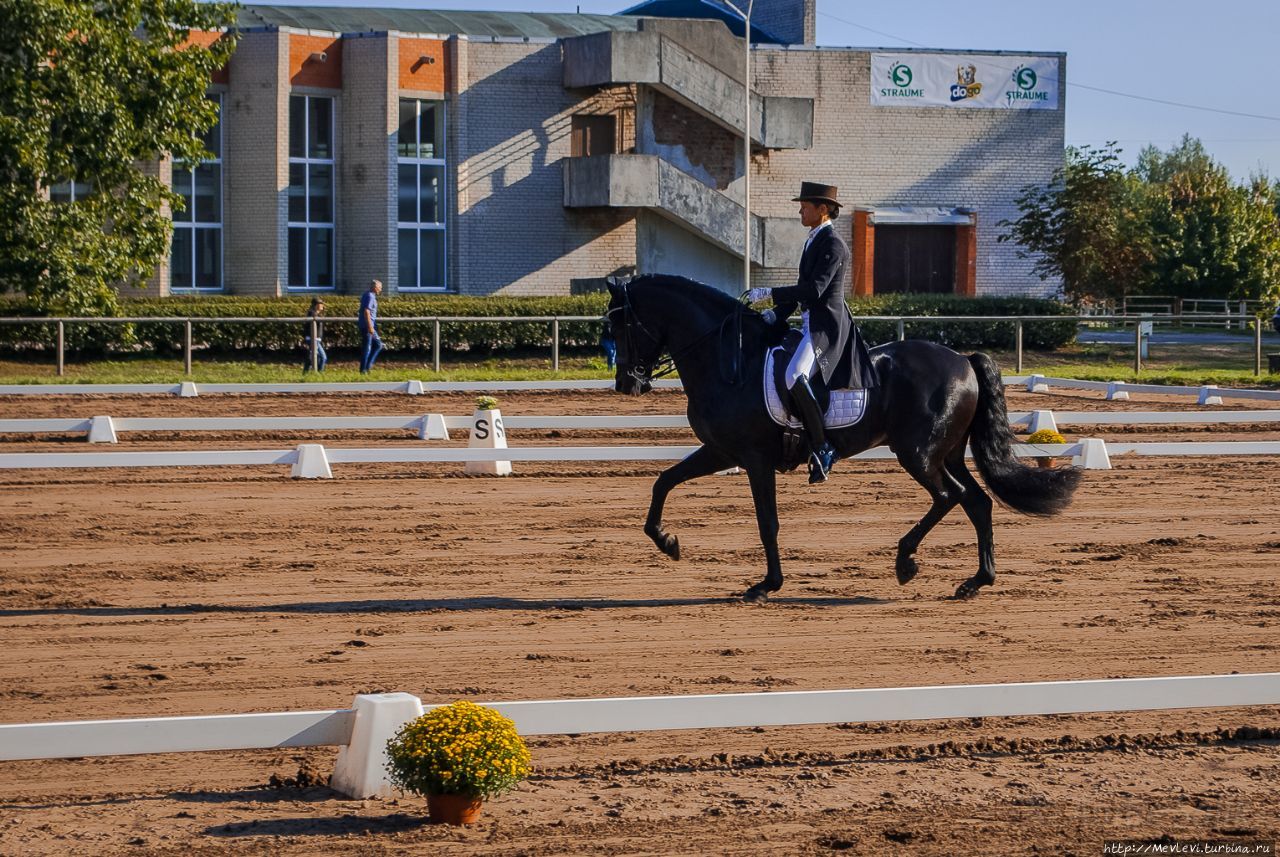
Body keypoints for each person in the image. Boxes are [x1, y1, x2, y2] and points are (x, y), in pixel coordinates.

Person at [746, 181, 860, 485]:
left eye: (804, 206)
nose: (800, 210)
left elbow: (814, 289)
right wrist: (773, 315)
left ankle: (823, 447)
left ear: (822, 210)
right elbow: (799, 295)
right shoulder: (813, 241)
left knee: (794, 374)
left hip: (828, 328)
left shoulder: (833, 244)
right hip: (810, 323)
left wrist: (770, 292)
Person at [359, 279, 383, 373]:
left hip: (367, 325)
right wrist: (370, 327)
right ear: (375, 287)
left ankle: (366, 367)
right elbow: (367, 311)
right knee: (371, 347)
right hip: (367, 326)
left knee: (376, 345)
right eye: (380, 288)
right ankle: (364, 369)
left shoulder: (367, 294)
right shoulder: (370, 296)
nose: (380, 290)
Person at [303, 297, 327, 372]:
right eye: (321, 304)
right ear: (316, 305)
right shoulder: (312, 314)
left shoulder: (317, 314)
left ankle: (307, 371)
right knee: (322, 357)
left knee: (316, 357)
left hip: (317, 340)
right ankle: (318, 373)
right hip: (313, 339)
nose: (322, 306)